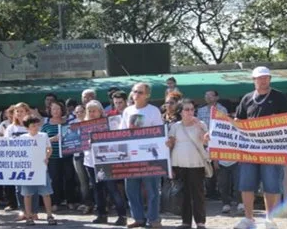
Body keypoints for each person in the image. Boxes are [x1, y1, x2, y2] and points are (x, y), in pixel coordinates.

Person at [233, 66, 287, 229]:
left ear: (270, 79)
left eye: (266, 77)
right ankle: (248, 218)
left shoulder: (279, 97)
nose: (263, 80)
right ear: (254, 80)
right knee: (246, 184)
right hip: (249, 150)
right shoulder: (246, 98)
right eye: (260, 78)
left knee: (271, 185)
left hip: (271, 149)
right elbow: (237, 122)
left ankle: (269, 219)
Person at [120, 82, 163, 228]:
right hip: (131, 157)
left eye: (140, 92)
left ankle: (153, 218)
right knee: (131, 189)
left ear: (147, 95)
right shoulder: (127, 111)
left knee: (152, 190)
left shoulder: (154, 111)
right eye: (134, 91)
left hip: (150, 157)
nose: (136, 94)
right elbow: (121, 133)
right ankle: (138, 218)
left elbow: (160, 133)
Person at [167, 99, 208, 229]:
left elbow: (204, 141)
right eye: (187, 109)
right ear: (180, 112)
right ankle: (186, 222)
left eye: (192, 109)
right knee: (183, 193)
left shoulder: (201, 123)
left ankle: (200, 222)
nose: (190, 112)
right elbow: (171, 144)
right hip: (179, 164)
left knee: (198, 194)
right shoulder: (175, 126)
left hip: (196, 163)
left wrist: (198, 127)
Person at [84, 100, 127, 226]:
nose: (92, 113)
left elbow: (116, 138)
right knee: (97, 189)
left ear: (100, 111)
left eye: (94, 111)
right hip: (90, 161)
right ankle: (102, 214)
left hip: (106, 161)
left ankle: (122, 215)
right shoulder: (83, 125)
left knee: (112, 188)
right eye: (89, 111)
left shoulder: (108, 123)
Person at [21, 115, 58, 225]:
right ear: (27, 128)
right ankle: (29, 216)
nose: (36, 127)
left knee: (46, 193)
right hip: (28, 170)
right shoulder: (22, 138)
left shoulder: (43, 135)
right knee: (27, 194)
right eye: (33, 126)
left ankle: (49, 215)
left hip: (41, 168)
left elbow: (49, 148)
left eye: (37, 125)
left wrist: (46, 157)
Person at [42, 101, 77, 211]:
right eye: (53, 109)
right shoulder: (46, 125)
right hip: (53, 156)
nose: (56, 111)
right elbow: (41, 140)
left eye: (58, 109)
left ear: (62, 110)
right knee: (55, 179)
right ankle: (55, 202)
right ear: (50, 111)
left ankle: (70, 201)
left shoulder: (68, 124)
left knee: (69, 178)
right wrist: (52, 139)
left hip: (67, 155)